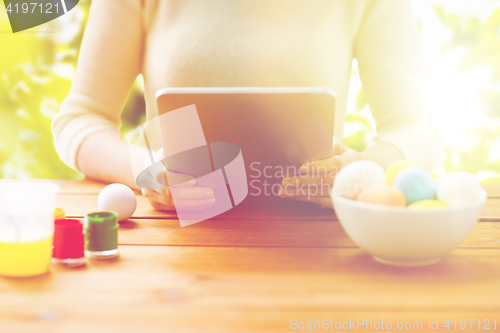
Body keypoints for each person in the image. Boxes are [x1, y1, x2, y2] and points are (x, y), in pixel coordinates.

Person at [52, 0, 442, 211]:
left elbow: (419, 125)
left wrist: (357, 171)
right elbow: (80, 119)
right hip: (177, 246)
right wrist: (147, 170)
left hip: (315, 244)